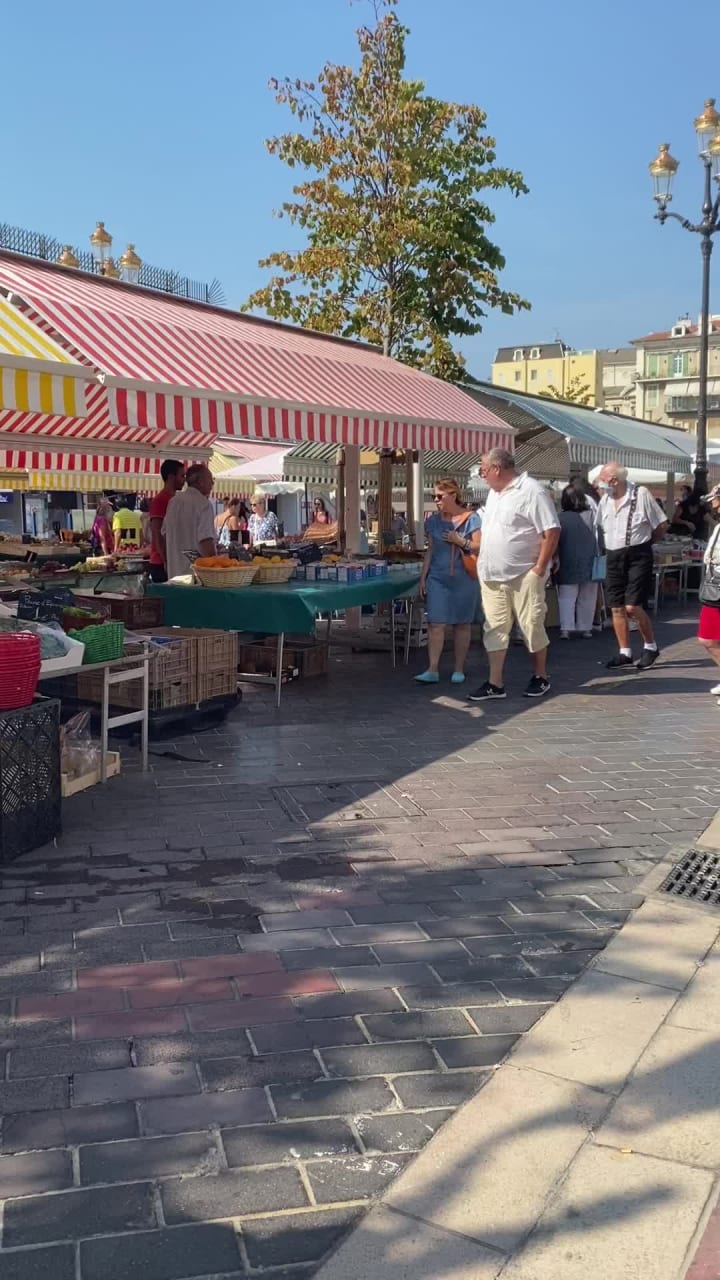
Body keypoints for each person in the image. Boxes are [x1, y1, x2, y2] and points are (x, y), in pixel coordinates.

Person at [470, 448, 560, 702]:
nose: (482, 475)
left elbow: (551, 530)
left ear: (497, 468)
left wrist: (539, 568)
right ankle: (495, 682)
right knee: (494, 628)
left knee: (531, 625)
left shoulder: (531, 491)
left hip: (523, 574)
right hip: (492, 575)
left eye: (483, 470)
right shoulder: (494, 493)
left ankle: (541, 676)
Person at [596, 461, 667, 670]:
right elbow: (601, 525)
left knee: (632, 606)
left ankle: (650, 646)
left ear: (614, 480)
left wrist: (646, 543)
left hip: (638, 553)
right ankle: (624, 652)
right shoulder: (605, 500)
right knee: (616, 606)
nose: (600, 483)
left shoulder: (641, 494)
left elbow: (661, 524)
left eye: (602, 478)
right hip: (613, 554)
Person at [415, 478, 481, 685]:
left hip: (464, 578)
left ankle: (458, 669)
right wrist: (423, 576)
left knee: (462, 624)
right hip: (438, 577)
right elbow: (431, 550)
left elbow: (480, 547)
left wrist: (459, 540)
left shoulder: (471, 519)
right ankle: (433, 668)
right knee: (436, 623)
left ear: (453, 495)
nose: (436, 500)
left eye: (439, 496)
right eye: (434, 496)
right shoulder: (433, 521)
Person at [555, 484, 599, 639]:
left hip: (568, 558)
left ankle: (566, 629)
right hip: (591, 557)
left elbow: (556, 540)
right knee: (588, 595)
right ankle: (586, 627)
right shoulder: (592, 514)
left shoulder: (560, 517)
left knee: (567, 595)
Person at [162, 464, 216, 580]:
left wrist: (168, 561)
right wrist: (216, 567)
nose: (212, 484)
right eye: (210, 479)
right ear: (200, 481)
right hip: (196, 577)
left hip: (174, 574)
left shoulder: (173, 502)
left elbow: (164, 534)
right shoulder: (203, 504)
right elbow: (206, 542)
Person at [697, 485, 720, 698]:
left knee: (708, 639)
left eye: (715, 498)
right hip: (714, 585)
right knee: (709, 638)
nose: (712, 502)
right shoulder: (718, 526)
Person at [148, 460, 185, 583]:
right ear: (171, 477)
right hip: (161, 562)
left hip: (172, 559)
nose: (184, 480)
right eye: (182, 476)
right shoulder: (160, 500)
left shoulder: (176, 499)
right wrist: (166, 560)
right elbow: (157, 532)